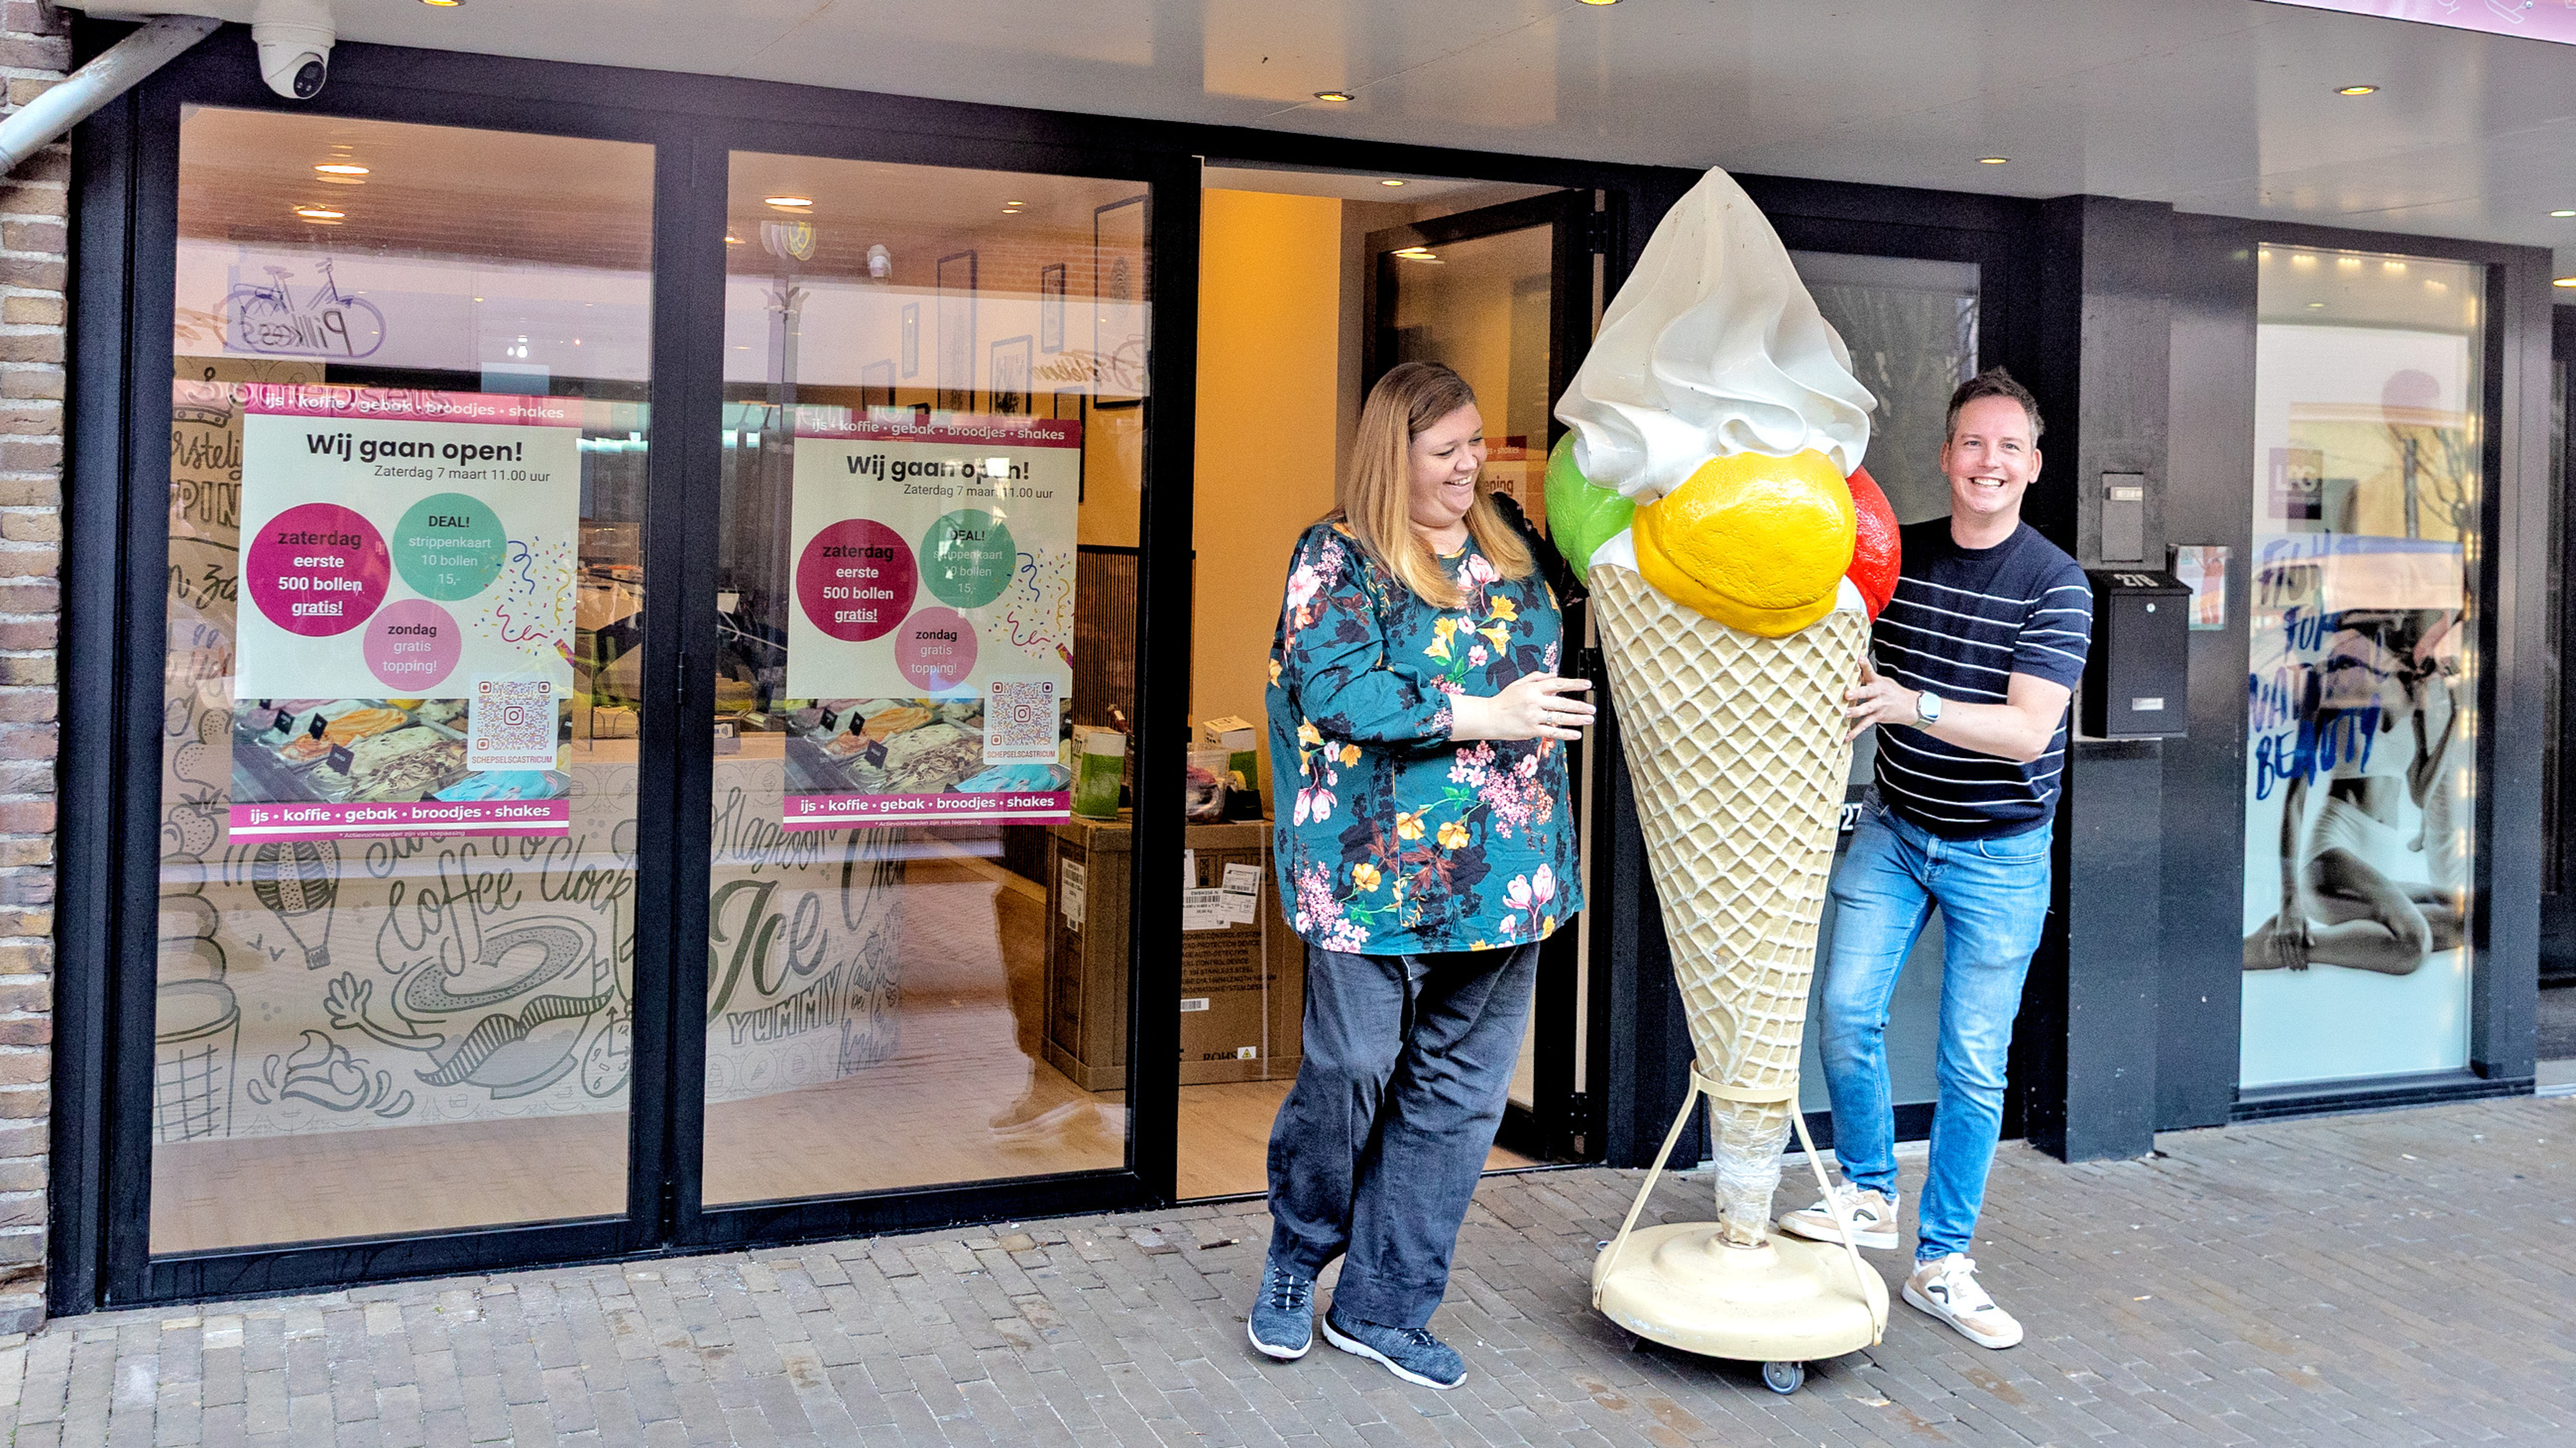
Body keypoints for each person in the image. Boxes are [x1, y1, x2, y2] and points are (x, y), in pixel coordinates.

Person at [1248, 360, 1593, 1388]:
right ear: (1389, 456)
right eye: (1444, 451)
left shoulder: (1511, 543)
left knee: (1455, 1098)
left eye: (1474, 443)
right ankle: (1296, 1251)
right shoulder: (1337, 555)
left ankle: (1383, 1304)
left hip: (1509, 874)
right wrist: (1485, 713)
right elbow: (1340, 685)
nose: (1468, 464)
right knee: (1350, 1070)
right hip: (1370, 874)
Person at [1776, 367, 2090, 1351]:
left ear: (2032, 465)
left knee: (1971, 1063)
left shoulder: (2057, 584)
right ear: (1945, 455)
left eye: (2008, 446)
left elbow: (2028, 732)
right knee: (1844, 1008)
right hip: (1898, 824)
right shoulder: (1898, 558)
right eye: (1971, 443)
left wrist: (1909, 703)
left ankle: (1943, 1261)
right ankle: (1869, 1193)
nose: (1987, 461)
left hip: (2000, 851)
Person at [2241, 607, 2466, 975]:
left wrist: (2457, 713)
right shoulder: (2332, 686)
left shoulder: (2412, 694)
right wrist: (2290, 903)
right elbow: (2294, 802)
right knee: (2412, 947)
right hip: (2334, 853)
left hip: (2377, 859)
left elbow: (2420, 793)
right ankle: (2274, 946)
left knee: (2465, 919)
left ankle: (2312, 942)